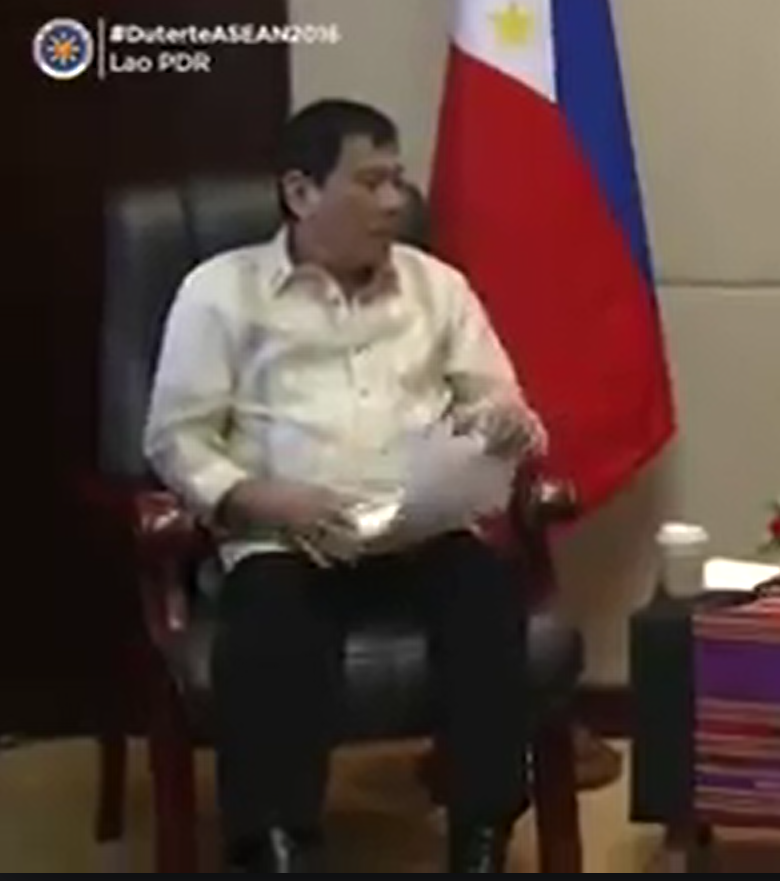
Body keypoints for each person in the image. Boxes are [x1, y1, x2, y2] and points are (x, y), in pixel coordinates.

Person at [143, 98, 547, 872]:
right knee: (270, 626)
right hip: (290, 535)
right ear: (301, 192)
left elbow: (501, 402)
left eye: (398, 181)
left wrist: (505, 426)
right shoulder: (219, 293)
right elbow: (175, 437)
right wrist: (265, 499)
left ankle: (481, 836)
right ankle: (279, 844)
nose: (395, 201)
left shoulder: (438, 288)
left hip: (421, 529)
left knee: (489, 602)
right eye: (371, 182)